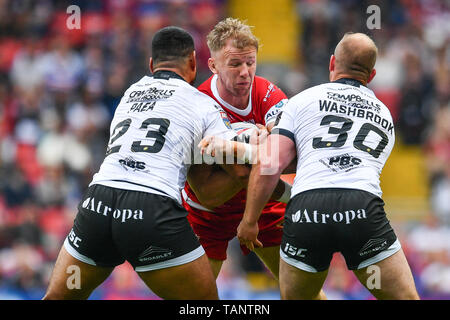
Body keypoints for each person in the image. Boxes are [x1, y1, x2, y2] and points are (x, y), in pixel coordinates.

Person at [43, 26, 238, 300]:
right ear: (193, 61)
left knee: (58, 298)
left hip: (99, 202)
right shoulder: (202, 103)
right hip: (150, 207)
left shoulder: (130, 93)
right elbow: (235, 163)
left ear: (151, 64)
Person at [235, 32, 420, 299]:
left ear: (332, 63)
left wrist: (250, 220)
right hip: (361, 208)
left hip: (308, 209)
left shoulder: (303, 99)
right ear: (372, 75)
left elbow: (271, 162)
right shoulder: (384, 114)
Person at [182, 18, 291, 280]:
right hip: (208, 212)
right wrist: (257, 151)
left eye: (250, 62)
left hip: (261, 200)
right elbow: (206, 192)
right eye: (234, 64)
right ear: (213, 65)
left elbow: (286, 154)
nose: (245, 72)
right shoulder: (197, 104)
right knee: (196, 298)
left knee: (303, 292)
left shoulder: (269, 94)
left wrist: (228, 148)